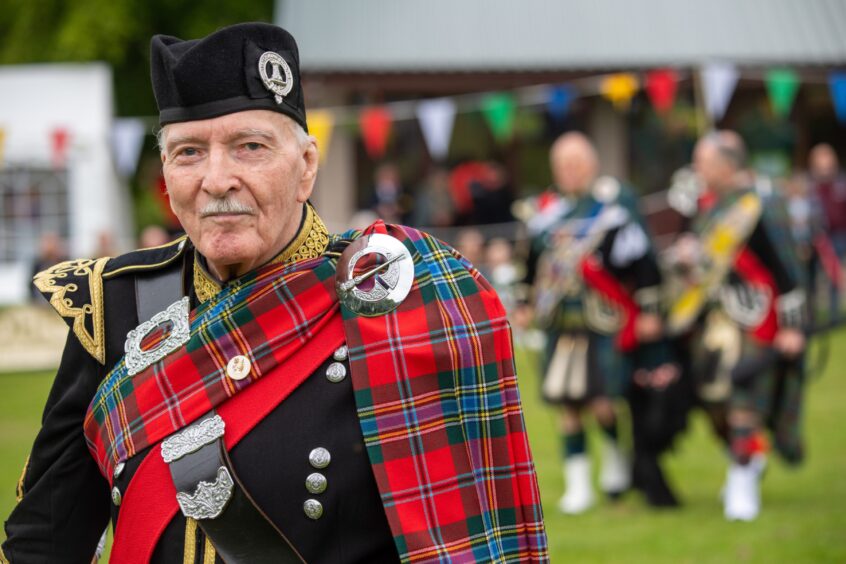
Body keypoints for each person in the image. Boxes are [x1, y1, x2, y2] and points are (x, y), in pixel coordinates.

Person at [2, 23, 548, 563]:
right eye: (189, 152)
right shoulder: (115, 304)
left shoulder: (391, 299)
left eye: (250, 147)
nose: (217, 179)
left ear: (306, 166)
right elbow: (45, 540)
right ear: (166, 174)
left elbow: (460, 539)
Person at [521, 132, 669, 513]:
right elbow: (531, 263)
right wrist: (524, 302)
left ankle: (615, 462)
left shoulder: (614, 206)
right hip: (559, 320)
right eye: (563, 165)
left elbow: (644, 261)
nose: (570, 172)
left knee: (603, 401)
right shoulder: (546, 212)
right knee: (565, 403)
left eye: (576, 164)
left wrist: (650, 310)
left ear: (592, 165)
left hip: (602, 320)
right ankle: (578, 486)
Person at [666, 131, 807, 522]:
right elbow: (701, 261)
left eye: (704, 162)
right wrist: (685, 257)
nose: (698, 170)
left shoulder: (762, 202)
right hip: (713, 321)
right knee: (713, 403)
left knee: (745, 399)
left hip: (759, 319)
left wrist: (793, 327)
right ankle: (746, 460)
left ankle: (742, 486)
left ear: (727, 164)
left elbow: (789, 267)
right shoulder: (707, 206)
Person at [806, 143, 846, 321]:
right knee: (811, 277)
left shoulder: (840, 184)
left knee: (834, 275)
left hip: (837, 236)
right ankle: (811, 314)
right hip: (813, 237)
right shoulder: (809, 186)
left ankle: (833, 315)